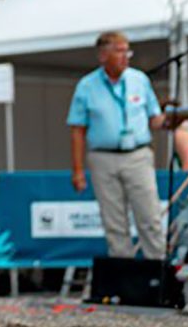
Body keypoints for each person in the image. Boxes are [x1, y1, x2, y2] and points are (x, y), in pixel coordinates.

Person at [68, 32, 165, 259]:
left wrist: (172, 120)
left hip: (138, 155)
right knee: (114, 222)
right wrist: (78, 170)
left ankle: (157, 268)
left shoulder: (139, 80)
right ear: (103, 56)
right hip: (103, 157)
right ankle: (124, 272)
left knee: (149, 216)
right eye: (119, 51)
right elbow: (77, 130)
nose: (125, 56)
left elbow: (154, 118)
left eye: (127, 51)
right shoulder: (86, 86)